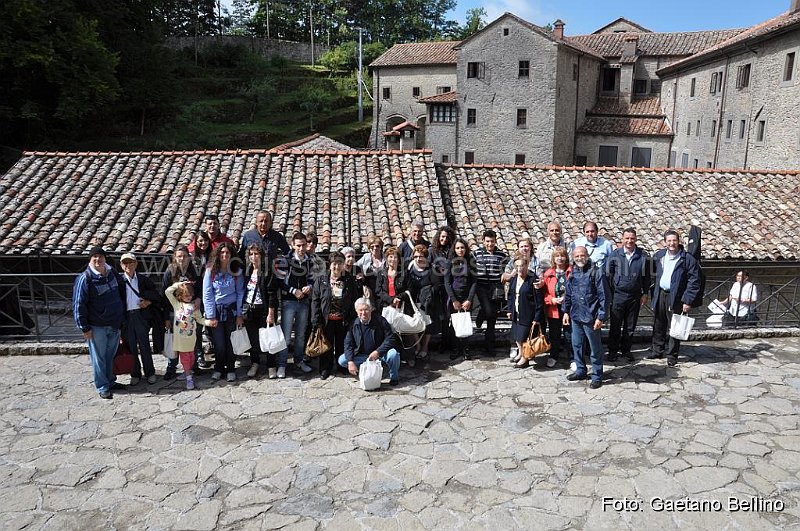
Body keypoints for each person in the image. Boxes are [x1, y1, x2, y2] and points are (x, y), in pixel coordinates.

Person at [72, 247, 125, 399]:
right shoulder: (85, 278)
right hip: (97, 327)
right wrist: (84, 327)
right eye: (94, 257)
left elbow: (121, 292)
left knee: (110, 355)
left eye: (100, 256)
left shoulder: (112, 273)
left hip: (114, 324)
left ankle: (110, 381)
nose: (98, 260)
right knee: (99, 357)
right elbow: (78, 304)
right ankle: (102, 386)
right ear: (90, 259)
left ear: (105, 258)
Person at [649, 229, 701, 367]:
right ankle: (657, 350)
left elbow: (694, 281)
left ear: (679, 241)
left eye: (674, 240)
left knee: (675, 327)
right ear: (665, 242)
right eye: (669, 241)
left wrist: (688, 300)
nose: (672, 243)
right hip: (660, 293)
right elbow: (652, 273)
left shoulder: (687, 258)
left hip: (677, 297)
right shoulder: (659, 256)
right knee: (658, 323)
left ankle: (672, 355)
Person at [563, 246, 608, 389]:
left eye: (582, 255)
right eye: (576, 256)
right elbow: (568, 294)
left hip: (591, 317)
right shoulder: (573, 272)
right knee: (576, 345)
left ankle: (596, 375)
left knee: (595, 349)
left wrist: (601, 317)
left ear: (587, 256)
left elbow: (604, 297)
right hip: (576, 316)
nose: (579, 258)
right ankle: (581, 370)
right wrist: (565, 311)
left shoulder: (596, 272)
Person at [311, 252, 359, 379]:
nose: (337, 267)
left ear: (343, 265)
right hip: (326, 319)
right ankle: (325, 368)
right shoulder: (321, 280)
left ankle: (341, 366)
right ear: (329, 265)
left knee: (342, 344)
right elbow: (315, 301)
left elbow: (355, 299)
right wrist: (316, 320)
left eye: (339, 264)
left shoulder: (349, 280)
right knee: (326, 345)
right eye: (334, 264)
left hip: (343, 319)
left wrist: (353, 318)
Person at [607, 228, 651, 363]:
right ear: (622, 239)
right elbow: (608, 275)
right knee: (615, 325)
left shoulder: (643, 256)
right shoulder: (615, 255)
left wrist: (645, 293)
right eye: (627, 238)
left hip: (634, 296)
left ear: (635, 239)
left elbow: (647, 277)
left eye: (632, 238)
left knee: (630, 326)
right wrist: (609, 295)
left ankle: (626, 350)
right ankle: (613, 351)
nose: (629, 241)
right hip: (618, 296)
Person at [202, 242, 244, 382]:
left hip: (231, 310)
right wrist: (211, 315)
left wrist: (239, 314)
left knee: (230, 342)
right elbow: (207, 294)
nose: (225, 255)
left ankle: (231, 368)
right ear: (218, 255)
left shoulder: (236, 272)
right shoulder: (210, 271)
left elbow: (240, 293)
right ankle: (219, 368)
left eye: (227, 253)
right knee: (219, 343)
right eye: (222, 253)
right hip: (217, 312)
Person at [276, 232, 315, 378]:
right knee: (285, 336)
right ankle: (282, 364)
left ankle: (299, 360)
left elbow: (311, 279)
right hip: (289, 302)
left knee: (300, 335)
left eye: (304, 245)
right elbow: (279, 281)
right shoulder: (284, 260)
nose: (301, 248)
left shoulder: (309, 260)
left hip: (303, 302)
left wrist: (309, 287)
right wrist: (294, 291)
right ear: (293, 245)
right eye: (298, 245)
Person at [338, 297, 401, 386]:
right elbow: (348, 344)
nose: (364, 313)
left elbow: (390, 339)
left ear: (371, 309)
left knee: (393, 354)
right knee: (343, 360)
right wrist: (350, 362)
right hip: (363, 356)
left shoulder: (380, 320)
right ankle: (366, 370)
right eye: (361, 310)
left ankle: (394, 377)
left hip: (381, 354)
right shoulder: (353, 324)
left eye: (366, 309)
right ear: (356, 311)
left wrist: (378, 352)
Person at [119, 252, 160, 385]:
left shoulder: (143, 280)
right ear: (121, 266)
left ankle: (150, 373)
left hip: (140, 316)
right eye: (125, 263)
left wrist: (148, 302)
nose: (128, 265)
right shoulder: (119, 282)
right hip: (126, 318)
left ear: (136, 264)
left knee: (145, 346)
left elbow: (156, 295)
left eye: (131, 262)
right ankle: (135, 374)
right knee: (130, 347)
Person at [162, 245, 202, 380]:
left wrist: (198, 299)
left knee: (192, 337)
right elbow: (165, 294)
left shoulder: (194, 271)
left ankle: (193, 366)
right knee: (175, 341)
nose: (182, 258)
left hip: (191, 311)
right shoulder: (170, 271)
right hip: (175, 312)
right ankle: (171, 368)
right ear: (174, 257)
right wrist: (166, 317)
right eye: (179, 256)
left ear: (189, 257)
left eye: (184, 256)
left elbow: (200, 288)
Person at [165, 281, 212, 390]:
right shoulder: (177, 305)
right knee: (185, 359)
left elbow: (200, 319)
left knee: (191, 359)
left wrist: (209, 322)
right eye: (186, 295)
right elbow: (168, 291)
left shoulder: (194, 307)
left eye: (190, 295)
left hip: (191, 340)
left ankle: (187, 372)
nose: (189, 297)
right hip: (180, 340)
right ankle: (189, 378)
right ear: (180, 295)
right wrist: (180, 284)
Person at [242, 244, 278, 379]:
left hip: (263, 309)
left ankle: (271, 365)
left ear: (261, 256)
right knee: (253, 340)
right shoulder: (247, 271)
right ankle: (255, 363)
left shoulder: (267, 271)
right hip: (250, 310)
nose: (253, 257)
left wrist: (271, 313)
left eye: (256, 254)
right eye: (251, 254)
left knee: (268, 338)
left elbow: (272, 293)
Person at [473, 229, 508, 354]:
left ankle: (489, 346)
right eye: (487, 241)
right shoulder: (476, 254)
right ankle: (482, 313)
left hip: (495, 287)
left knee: (492, 317)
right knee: (489, 312)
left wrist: (505, 273)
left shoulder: (501, 255)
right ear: (483, 241)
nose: (490, 244)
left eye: (492, 241)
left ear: (495, 241)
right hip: (481, 286)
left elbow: (507, 267)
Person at [402, 244, 436, 365]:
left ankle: (425, 347)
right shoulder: (409, 267)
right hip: (412, 300)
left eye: (421, 256)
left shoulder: (431, 269)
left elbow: (436, 284)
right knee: (414, 323)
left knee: (427, 324)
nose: (418, 259)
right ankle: (417, 345)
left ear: (426, 257)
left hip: (426, 301)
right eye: (416, 256)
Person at [508, 253, 544, 369]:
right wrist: (509, 310)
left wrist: (537, 317)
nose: (520, 268)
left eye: (522, 265)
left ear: (527, 265)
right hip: (516, 312)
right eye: (517, 266)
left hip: (528, 313)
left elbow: (539, 300)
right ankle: (520, 353)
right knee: (517, 336)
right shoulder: (514, 279)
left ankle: (525, 359)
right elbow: (510, 295)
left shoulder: (533, 279)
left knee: (523, 337)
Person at [444, 238, 476, 361]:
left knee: (466, 322)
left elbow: (474, 282)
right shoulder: (449, 263)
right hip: (454, 297)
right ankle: (455, 349)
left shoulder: (471, 262)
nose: (460, 250)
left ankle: (466, 349)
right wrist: (454, 300)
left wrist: (469, 299)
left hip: (467, 297)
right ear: (454, 249)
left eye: (462, 247)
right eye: (457, 248)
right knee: (455, 324)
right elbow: (447, 282)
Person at [542, 246, 571, 368]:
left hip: (569, 308)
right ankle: (553, 356)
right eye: (557, 256)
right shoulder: (548, 274)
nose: (560, 258)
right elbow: (544, 293)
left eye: (562, 255)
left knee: (570, 334)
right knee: (554, 334)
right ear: (553, 258)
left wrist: (567, 299)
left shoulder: (572, 272)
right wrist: (552, 299)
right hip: (554, 308)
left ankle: (573, 358)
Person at [430, 225, 456, 353]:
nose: (444, 239)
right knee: (443, 316)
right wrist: (436, 268)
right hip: (439, 287)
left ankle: (452, 342)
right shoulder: (432, 251)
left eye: (447, 237)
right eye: (442, 237)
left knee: (452, 315)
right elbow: (428, 266)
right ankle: (444, 342)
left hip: (452, 286)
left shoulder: (453, 251)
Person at [190, 230, 213, 369]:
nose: (203, 243)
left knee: (211, 325)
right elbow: (194, 280)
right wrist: (197, 297)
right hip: (198, 297)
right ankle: (199, 356)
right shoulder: (192, 258)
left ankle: (214, 349)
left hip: (211, 296)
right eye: (200, 241)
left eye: (205, 241)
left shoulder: (213, 256)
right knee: (197, 328)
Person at [356, 236, 385, 307]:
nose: (375, 248)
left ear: (381, 247)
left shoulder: (386, 258)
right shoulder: (366, 257)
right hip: (370, 288)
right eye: (372, 246)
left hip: (383, 288)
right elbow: (355, 266)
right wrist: (360, 274)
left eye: (377, 246)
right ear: (369, 248)